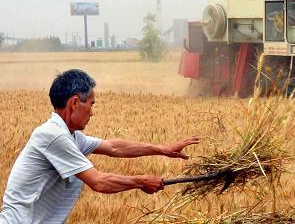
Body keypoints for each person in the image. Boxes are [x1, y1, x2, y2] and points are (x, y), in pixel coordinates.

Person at [0, 69, 200, 224]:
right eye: (91, 104)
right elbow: (99, 182)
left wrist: (163, 149)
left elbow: (114, 147)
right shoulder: (52, 135)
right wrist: (141, 181)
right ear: (75, 103)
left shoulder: (70, 136)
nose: (92, 113)